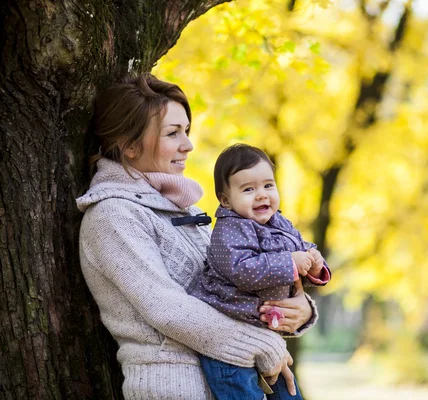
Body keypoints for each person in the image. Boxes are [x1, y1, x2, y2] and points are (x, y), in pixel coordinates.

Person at [77, 73, 318, 399]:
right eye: (173, 133)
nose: (188, 145)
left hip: (237, 379)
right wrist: (264, 345)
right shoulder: (113, 216)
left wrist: (299, 308)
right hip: (175, 386)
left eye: (187, 131)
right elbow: (167, 310)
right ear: (131, 147)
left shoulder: (185, 212)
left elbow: (230, 286)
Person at [192, 144, 331, 400]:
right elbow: (242, 270)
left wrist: (314, 264)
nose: (261, 195)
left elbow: (301, 247)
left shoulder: (279, 222)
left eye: (268, 185)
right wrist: (289, 263)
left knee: (290, 394)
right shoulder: (230, 230)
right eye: (248, 189)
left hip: (266, 337)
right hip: (229, 341)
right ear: (226, 200)